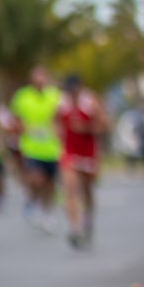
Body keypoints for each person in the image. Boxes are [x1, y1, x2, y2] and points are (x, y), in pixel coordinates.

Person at [57, 74, 107, 249]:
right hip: (70, 153)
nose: (72, 94)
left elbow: (105, 124)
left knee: (87, 191)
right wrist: (59, 135)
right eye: (69, 91)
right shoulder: (61, 104)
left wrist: (86, 128)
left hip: (89, 154)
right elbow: (55, 123)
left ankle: (88, 223)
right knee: (70, 190)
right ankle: (75, 230)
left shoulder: (91, 101)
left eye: (75, 90)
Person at [11, 66, 64, 232]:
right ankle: (33, 201)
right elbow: (15, 120)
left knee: (50, 183)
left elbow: (61, 118)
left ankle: (47, 210)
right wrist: (24, 130)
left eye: (43, 77)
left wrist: (59, 131)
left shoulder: (55, 95)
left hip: (52, 148)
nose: (40, 81)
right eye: (36, 78)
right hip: (31, 147)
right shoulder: (23, 97)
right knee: (36, 179)